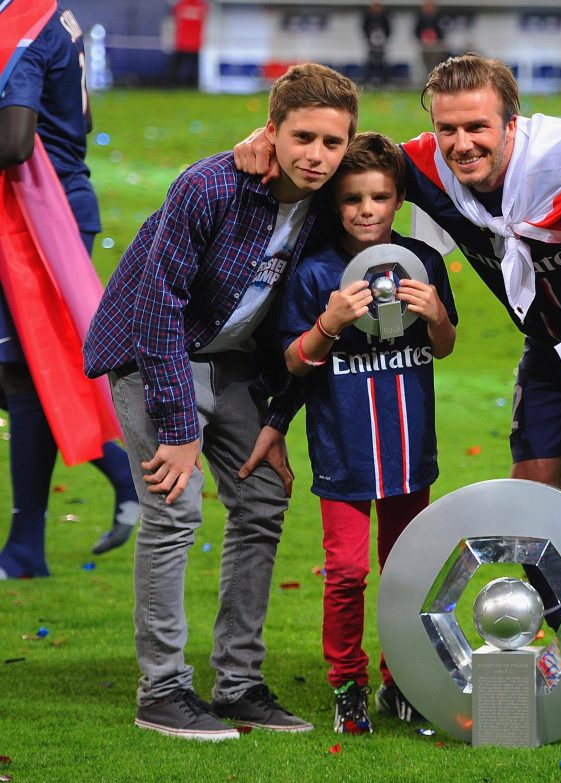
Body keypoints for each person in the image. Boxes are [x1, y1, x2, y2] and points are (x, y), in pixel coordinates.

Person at [234, 52, 561, 733]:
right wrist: (260, 142)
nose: (461, 142)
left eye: (477, 126)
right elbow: (354, 165)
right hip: (551, 352)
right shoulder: (426, 163)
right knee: (530, 513)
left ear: (512, 120)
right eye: (447, 128)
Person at [83, 62, 359, 740]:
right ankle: (163, 690)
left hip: (235, 364)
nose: (317, 155)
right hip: (156, 357)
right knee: (174, 509)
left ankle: (238, 684)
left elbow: (294, 324)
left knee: (263, 500)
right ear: (272, 131)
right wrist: (178, 429)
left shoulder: (330, 201)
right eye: (302, 138)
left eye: (332, 143)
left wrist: (275, 419)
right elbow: (157, 310)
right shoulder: (208, 187)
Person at [280, 132, 457, 734]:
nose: (365, 209)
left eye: (379, 197)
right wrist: (328, 323)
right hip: (344, 452)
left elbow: (445, 345)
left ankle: (400, 678)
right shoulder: (314, 272)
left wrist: (435, 315)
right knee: (350, 573)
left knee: (406, 571)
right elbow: (293, 361)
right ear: (335, 202)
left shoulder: (423, 264)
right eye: (352, 198)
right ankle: (347, 684)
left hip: (410, 449)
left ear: (398, 199)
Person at [0, 1, 141, 579]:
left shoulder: (23, 24)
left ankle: (29, 545)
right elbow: (75, 121)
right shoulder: (53, 13)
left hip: (35, 222)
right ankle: (112, 474)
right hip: (50, 208)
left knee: (26, 372)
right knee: (21, 373)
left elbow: (14, 141)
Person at [169, 0, 208, 88]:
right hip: (194, 42)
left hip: (182, 41)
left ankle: (173, 84)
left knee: (176, 65)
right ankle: (192, 85)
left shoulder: (181, 5)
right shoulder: (201, 6)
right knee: (192, 66)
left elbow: (174, 14)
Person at [414, 1, 447, 80]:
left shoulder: (439, 18)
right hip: (425, 46)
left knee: (437, 65)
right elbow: (417, 31)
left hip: (436, 46)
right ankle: (427, 81)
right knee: (426, 65)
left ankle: (438, 81)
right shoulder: (420, 18)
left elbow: (441, 32)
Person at [362, 1, 392, 86]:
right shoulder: (368, 16)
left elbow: (388, 29)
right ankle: (367, 81)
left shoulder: (384, 16)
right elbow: (364, 28)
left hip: (382, 44)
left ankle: (385, 81)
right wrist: (369, 38)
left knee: (383, 62)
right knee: (370, 62)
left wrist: (384, 39)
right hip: (371, 44)